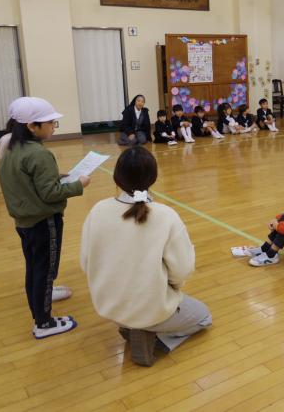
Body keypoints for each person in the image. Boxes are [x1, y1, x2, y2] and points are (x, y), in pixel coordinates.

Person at [80, 147, 210, 366]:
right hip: (151, 307)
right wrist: (172, 288)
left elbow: (86, 263)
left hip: (109, 306)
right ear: (153, 178)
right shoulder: (166, 215)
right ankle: (151, 335)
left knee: (152, 306)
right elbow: (183, 269)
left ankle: (132, 326)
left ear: (117, 177)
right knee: (204, 316)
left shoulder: (98, 210)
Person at [0, 97, 90, 339]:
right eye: (50, 123)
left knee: (34, 267)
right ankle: (43, 323)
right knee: (45, 270)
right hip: (44, 222)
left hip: (25, 222)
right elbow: (50, 194)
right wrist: (79, 184)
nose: (53, 127)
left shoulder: (10, 147)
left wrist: (55, 177)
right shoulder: (39, 154)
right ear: (31, 126)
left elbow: (26, 180)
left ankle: (41, 300)